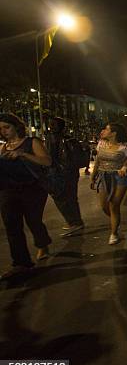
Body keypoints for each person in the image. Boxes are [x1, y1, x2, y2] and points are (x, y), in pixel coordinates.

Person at [0, 114, 52, 279]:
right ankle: (21, 263)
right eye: (0, 128)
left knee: (33, 220)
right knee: (12, 226)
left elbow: (46, 161)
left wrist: (23, 154)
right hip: (9, 190)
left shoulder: (32, 142)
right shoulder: (3, 147)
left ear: (16, 126)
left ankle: (42, 243)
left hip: (33, 189)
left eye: (6, 127)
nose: (3, 131)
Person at [90, 123, 127, 245]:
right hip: (103, 176)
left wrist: (125, 167)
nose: (103, 130)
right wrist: (93, 177)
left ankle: (114, 233)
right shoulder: (101, 143)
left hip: (119, 178)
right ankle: (116, 221)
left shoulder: (124, 147)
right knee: (104, 205)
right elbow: (98, 160)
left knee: (114, 205)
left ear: (114, 133)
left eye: (106, 129)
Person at [45, 117, 86, 236]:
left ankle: (75, 222)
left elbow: (52, 157)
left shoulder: (60, 139)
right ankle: (74, 221)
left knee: (64, 198)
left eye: (54, 124)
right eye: (51, 124)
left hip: (63, 173)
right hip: (64, 172)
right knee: (66, 197)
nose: (51, 127)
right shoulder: (59, 138)